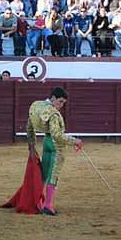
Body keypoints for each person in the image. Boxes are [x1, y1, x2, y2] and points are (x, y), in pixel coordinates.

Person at [26, 87, 83, 216]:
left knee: (44, 174)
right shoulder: (54, 113)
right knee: (53, 174)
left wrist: (31, 145)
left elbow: (29, 126)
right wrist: (75, 141)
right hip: (55, 145)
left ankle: (37, 202)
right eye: (60, 101)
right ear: (53, 98)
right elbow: (57, 135)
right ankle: (48, 205)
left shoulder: (36, 106)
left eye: (63, 103)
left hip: (45, 142)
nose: (61, 105)